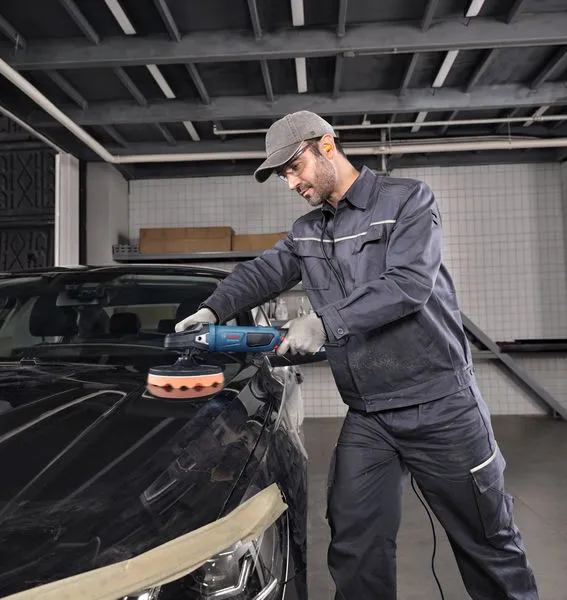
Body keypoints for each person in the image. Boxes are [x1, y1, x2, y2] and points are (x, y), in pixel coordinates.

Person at [175, 111, 539, 600]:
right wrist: (211, 308)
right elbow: (263, 271)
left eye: (294, 167)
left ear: (327, 146)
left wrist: (324, 322)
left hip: (441, 406)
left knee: (487, 543)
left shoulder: (407, 200)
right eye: (283, 174)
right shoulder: (308, 230)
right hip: (370, 413)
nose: (290, 182)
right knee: (354, 540)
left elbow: (408, 285)